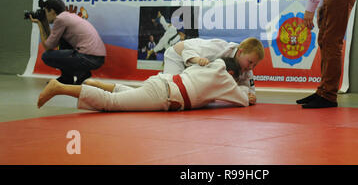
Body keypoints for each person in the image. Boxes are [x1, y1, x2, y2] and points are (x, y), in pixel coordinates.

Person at [37, 58, 255, 111]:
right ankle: (60, 88)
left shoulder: (211, 63)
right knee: (112, 104)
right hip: (164, 94)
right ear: (232, 73)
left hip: (163, 83)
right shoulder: (226, 79)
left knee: (129, 94)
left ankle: (98, 83)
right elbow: (243, 100)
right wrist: (247, 93)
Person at [163, 37, 264, 104]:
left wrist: (251, 97)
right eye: (250, 62)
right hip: (178, 55)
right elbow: (185, 50)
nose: (251, 67)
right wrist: (198, 60)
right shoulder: (219, 49)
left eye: (255, 65)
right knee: (169, 93)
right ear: (240, 52)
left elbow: (250, 91)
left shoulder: (247, 69)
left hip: (193, 64)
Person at [29, 0, 106, 85]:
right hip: (96, 58)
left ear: (52, 11)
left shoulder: (60, 19)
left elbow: (48, 47)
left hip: (88, 58)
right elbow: (53, 41)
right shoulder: (69, 16)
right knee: (63, 40)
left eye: (46, 12)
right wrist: (44, 24)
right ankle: (67, 78)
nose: (45, 15)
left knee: (46, 56)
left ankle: (82, 74)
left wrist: (40, 25)